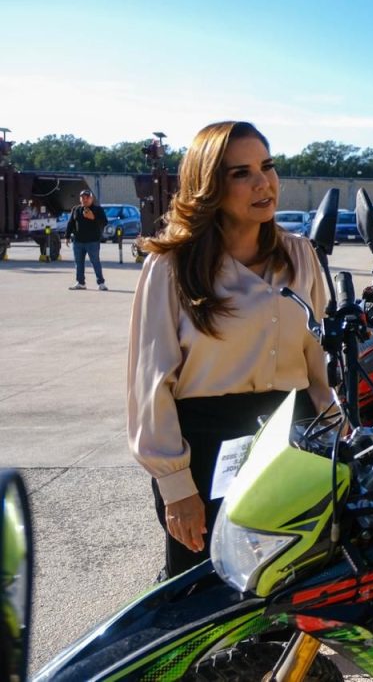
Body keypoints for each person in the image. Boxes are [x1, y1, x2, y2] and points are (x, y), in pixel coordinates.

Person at [127, 121, 334, 578]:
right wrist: (176, 486)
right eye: (242, 173)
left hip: (291, 441)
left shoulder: (300, 255)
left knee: (290, 588)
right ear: (209, 186)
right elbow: (151, 384)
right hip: (206, 447)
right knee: (204, 594)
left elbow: (318, 361)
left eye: (267, 166)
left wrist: (336, 435)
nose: (263, 183)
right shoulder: (171, 265)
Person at [66, 189, 108, 290]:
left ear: (91, 199)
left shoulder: (98, 209)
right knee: (78, 263)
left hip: (92, 241)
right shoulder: (76, 209)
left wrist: (93, 217)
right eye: (82, 198)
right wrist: (67, 236)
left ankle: (101, 283)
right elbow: (70, 223)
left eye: (87, 198)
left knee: (95, 262)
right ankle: (80, 283)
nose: (84, 200)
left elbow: (104, 222)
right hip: (78, 241)